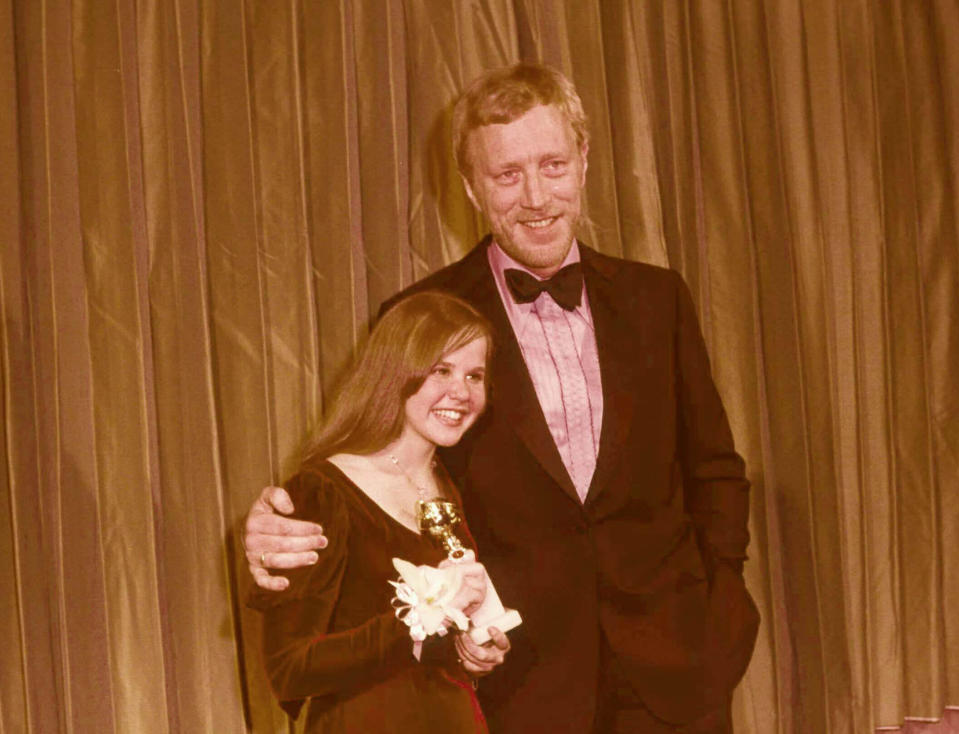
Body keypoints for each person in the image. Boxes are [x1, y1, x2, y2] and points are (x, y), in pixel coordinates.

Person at [244, 63, 759, 733]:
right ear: (470, 187)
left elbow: (714, 468)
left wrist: (723, 602)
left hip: (675, 670)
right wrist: (274, 538)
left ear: (583, 162)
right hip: (514, 683)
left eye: (552, 165)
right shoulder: (420, 316)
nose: (536, 196)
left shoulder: (658, 299)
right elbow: (372, 481)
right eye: (507, 175)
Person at [247, 291, 511, 733]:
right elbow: (288, 669)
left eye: (475, 375)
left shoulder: (445, 485)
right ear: (396, 371)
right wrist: (418, 622)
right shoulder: (322, 491)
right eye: (441, 370)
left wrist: (470, 650)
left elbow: (425, 652)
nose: (460, 392)